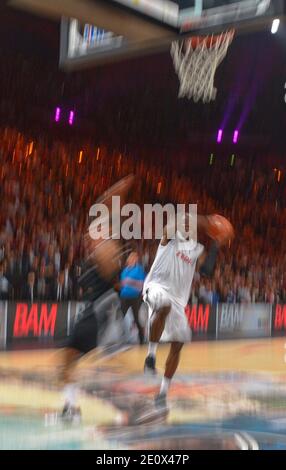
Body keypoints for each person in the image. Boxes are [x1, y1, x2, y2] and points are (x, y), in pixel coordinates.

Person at [59, 175, 134, 421]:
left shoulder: (108, 248)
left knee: (66, 362)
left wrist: (116, 194)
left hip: (100, 311)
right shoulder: (95, 251)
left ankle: (71, 409)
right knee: (66, 362)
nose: (89, 236)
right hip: (95, 309)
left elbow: (111, 271)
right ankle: (70, 409)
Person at [143, 213, 233, 410]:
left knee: (179, 343)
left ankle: (162, 394)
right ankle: (151, 356)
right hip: (156, 287)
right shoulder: (169, 238)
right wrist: (207, 221)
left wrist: (216, 244)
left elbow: (207, 271)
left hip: (178, 301)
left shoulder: (196, 249)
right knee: (163, 304)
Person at [120, 251, 146, 344]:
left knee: (136, 318)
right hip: (124, 297)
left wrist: (129, 282)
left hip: (135, 297)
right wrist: (129, 282)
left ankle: (142, 339)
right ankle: (122, 338)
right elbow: (123, 283)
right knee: (121, 317)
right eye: (131, 258)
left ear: (136, 260)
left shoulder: (139, 269)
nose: (132, 260)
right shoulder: (125, 270)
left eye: (134, 258)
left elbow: (141, 284)